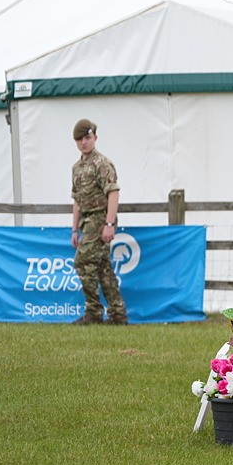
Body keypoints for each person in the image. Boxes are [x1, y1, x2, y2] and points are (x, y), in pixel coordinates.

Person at [70, 118, 128, 324]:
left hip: (100, 219)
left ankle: (94, 312)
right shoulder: (77, 167)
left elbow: (113, 193)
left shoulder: (101, 163)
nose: (83, 142)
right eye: (79, 139)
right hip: (86, 222)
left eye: (87, 137)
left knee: (82, 262)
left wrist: (109, 224)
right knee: (103, 268)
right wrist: (74, 230)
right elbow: (76, 199)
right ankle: (118, 314)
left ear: (95, 137)